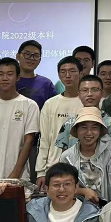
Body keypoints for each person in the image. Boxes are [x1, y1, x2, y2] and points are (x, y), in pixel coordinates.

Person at [49, 76, 111, 170]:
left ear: (102, 93)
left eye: (95, 90)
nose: (89, 94)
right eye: (84, 90)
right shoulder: (69, 124)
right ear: (79, 94)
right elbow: (65, 158)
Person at [60, 107, 111, 204]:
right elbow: (64, 186)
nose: (89, 133)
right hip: (79, 207)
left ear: (100, 131)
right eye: (84, 127)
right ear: (77, 130)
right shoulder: (67, 157)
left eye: (94, 128)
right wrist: (83, 191)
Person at [36, 57, 84, 188]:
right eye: (63, 71)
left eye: (72, 71)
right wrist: (41, 172)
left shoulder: (88, 102)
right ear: (58, 75)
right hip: (54, 167)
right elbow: (44, 139)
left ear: (81, 73)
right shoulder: (50, 104)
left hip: (83, 168)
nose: (67, 75)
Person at [0, 40, 58, 110]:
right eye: (27, 54)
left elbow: (54, 110)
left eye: (36, 55)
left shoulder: (46, 84)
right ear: (18, 56)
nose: (31, 58)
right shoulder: (5, 81)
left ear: (39, 60)